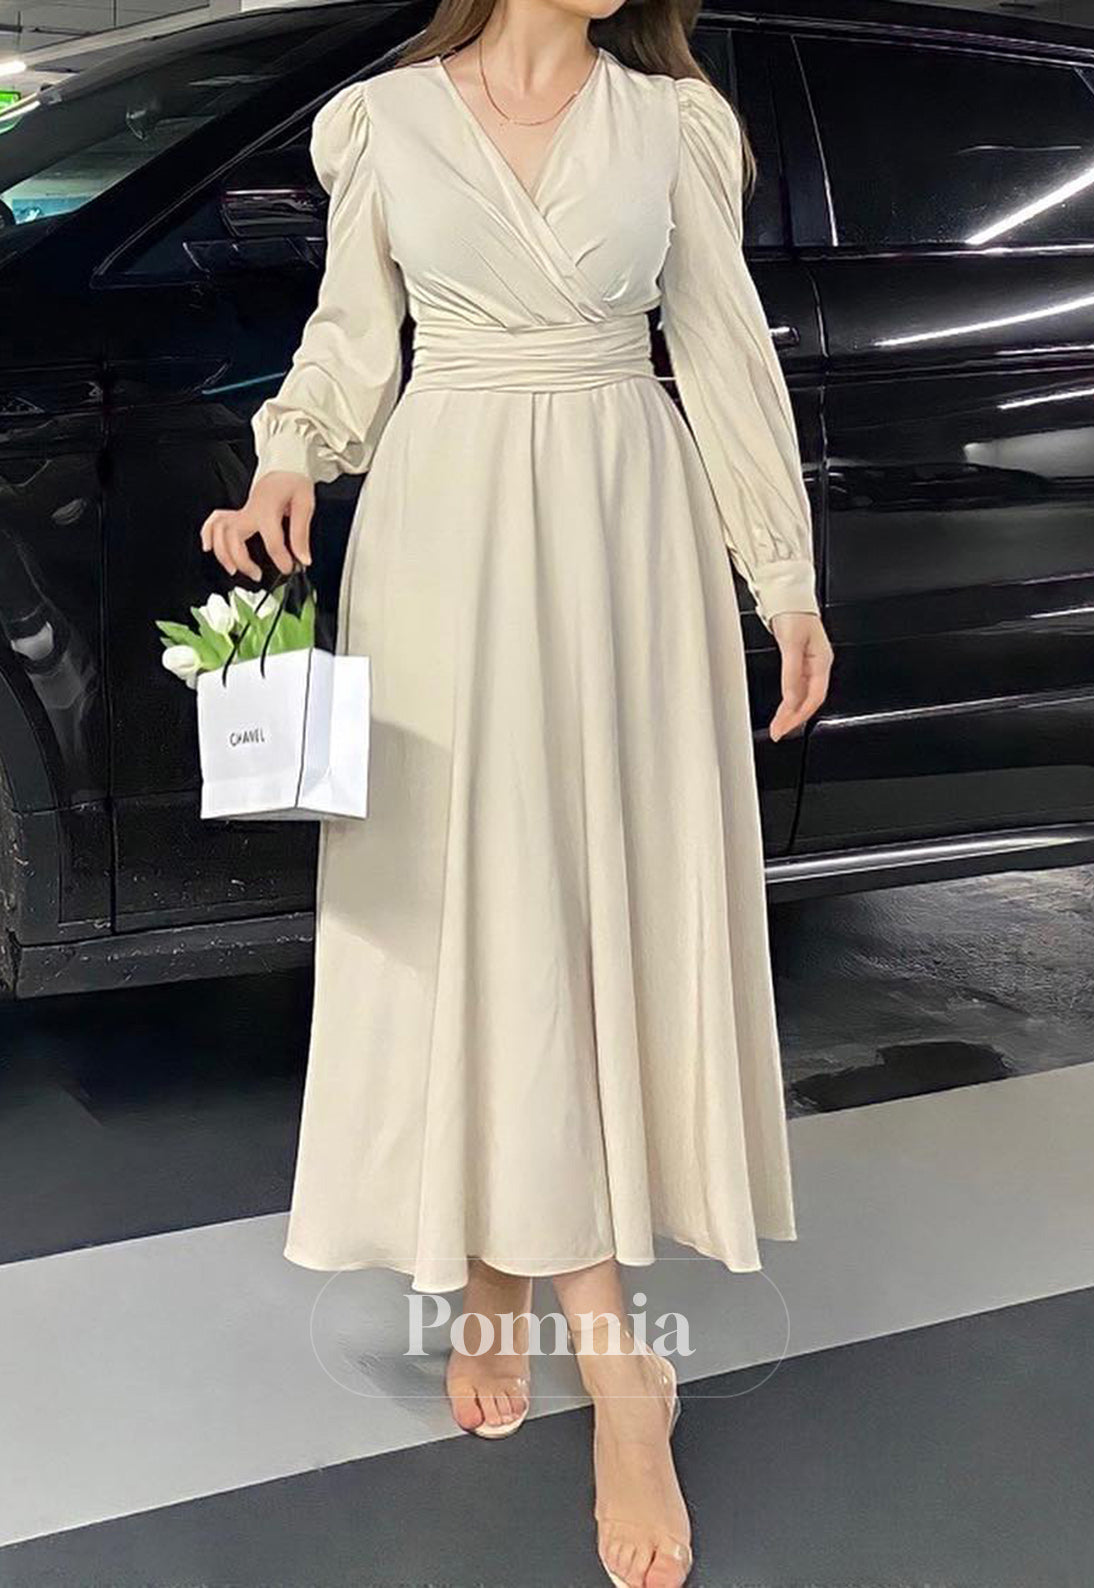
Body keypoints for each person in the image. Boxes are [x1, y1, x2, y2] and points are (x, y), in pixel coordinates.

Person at [201, 5, 834, 1584]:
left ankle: (564, 1318)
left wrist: (785, 580)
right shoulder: (387, 121)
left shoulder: (672, 125)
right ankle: (565, 1316)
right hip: (446, 533)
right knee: (471, 916)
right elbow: (353, 335)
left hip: (627, 536)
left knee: (592, 910)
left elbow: (728, 355)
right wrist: (291, 456)